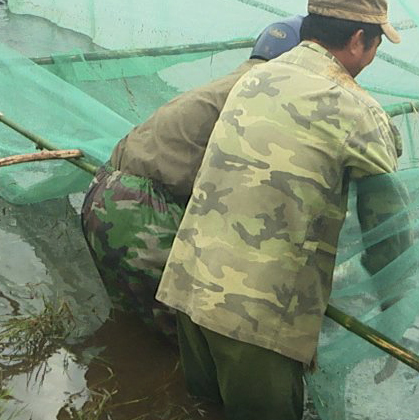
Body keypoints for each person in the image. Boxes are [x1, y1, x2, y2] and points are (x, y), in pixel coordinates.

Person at [157, 0, 412, 420]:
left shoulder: (255, 78)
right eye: (376, 44)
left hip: (189, 287)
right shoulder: (358, 110)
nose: (374, 56)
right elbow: (386, 232)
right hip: (254, 317)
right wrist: (398, 309)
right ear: (359, 40)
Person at [80, 17, 302, 339]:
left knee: (133, 326)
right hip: (140, 210)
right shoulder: (264, 93)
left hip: (104, 192)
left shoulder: (232, 82)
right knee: (195, 335)